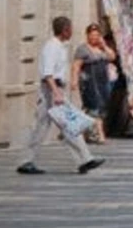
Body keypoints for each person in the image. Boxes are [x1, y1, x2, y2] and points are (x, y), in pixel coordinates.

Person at [17, 17, 105, 175]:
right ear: (65, 30)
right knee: (41, 127)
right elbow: (47, 74)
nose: (72, 31)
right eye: (70, 28)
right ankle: (26, 161)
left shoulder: (59, 47)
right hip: (51, 92)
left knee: (69, 126)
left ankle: (85, 159)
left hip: (56, 91)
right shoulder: (52, 47)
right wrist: (56, 92)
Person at [72, 22, 116, 144]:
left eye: (96, 35)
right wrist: (74, 81)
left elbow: (112, 57)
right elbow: (76, 66)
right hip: (90, 83)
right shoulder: (83, 49)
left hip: (103, 83)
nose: (94, 37)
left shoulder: (101, 48)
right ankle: (99, 135)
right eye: (91, 35)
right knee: (94, 108)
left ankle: (87, 132)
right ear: (87, 35)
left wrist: (104, 45)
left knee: (101, 109)